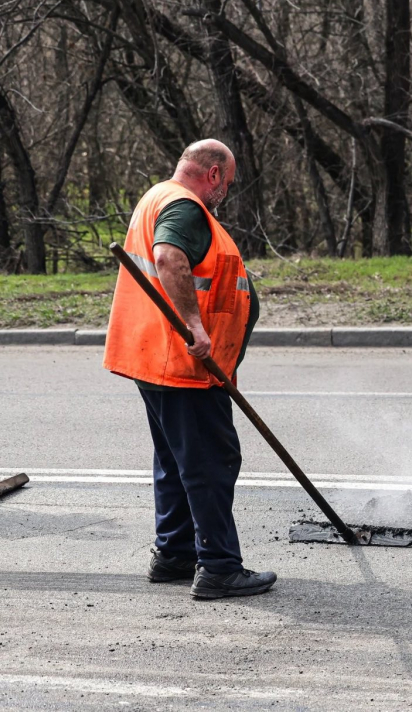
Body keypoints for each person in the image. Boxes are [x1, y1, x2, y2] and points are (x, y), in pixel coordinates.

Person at [103, 139, 275, 599]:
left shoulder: (157, 196)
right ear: (213, 174)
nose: (225, 193)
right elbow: (167, 257)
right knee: (211, 463)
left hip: (156, 358)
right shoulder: (185, 208)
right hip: (186, 363)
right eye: (227, 183)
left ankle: (175, 554)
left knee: (175, 462)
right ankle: (219, 567)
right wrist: (195, 326)